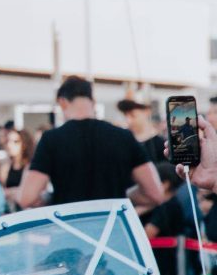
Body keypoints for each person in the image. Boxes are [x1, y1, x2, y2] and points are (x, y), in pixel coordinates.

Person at [18, 76, 163, 209]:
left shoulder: (51, 139)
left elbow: (26, 198)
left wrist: (51, 197)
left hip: (70, 225)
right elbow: (155, 194)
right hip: (113, 225)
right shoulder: (123, 136)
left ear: (62, 102)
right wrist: (122, 197)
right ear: (92, 101)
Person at [117, 99, 165, 165]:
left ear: (147, 111)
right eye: (125, 115)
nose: (128, 121)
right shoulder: (124, 144)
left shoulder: (162, 145)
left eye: (132, 115)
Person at [0, 128, 36, 210]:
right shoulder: (5, 167)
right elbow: (0, 192)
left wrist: (11, 192)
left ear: (24, 144)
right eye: (8, 141)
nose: (9, 145)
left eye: (15, 142)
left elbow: (30, 193)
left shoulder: (31, 166)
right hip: (10, 210)